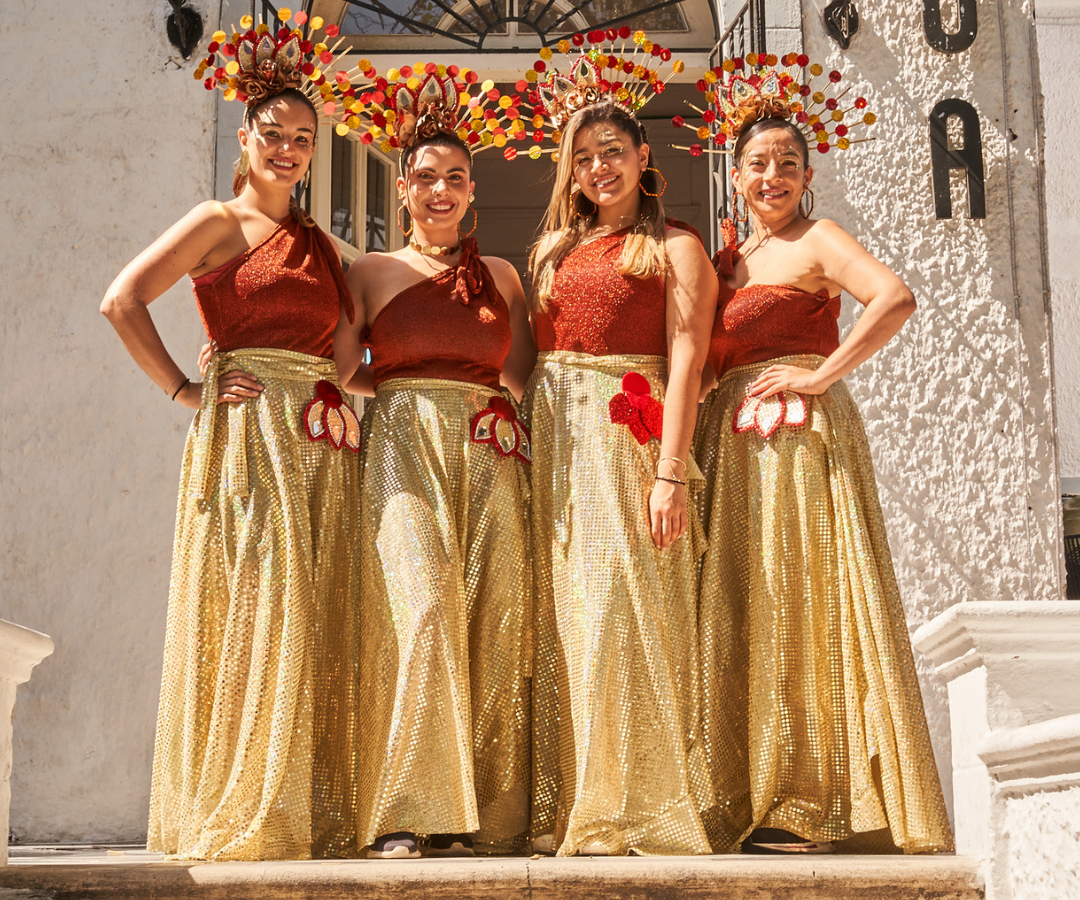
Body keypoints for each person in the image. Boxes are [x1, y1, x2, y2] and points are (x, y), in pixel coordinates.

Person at [100, 16, 369, 860]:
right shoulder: (217, 220)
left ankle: (305, 805)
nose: (287, 150)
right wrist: (186, 386)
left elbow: (346, 358)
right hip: (249, 440)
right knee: (259, 612)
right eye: (273, 135)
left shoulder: (327, 246)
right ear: (245, 137)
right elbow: (122, 300)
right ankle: (245, 803)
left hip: (321, 447)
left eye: (302, 138)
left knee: (318, 615)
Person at [682, 55, 954, 854]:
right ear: (734, 175)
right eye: (758, 165)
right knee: (739, 609)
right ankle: (741, 788)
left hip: (795, 446)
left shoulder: (820, 238)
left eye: (788, 166)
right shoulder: (729, 261)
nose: (773, 177)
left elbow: (894, 297)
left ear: (807, 177)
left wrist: (821, 374)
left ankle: (806, 800)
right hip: (727, 453)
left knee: (795, 605)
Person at [518, 32, 719, 857]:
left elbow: (688, 361)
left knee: (622, 613)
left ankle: (633, 806)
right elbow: (522, 358)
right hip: (550, 441)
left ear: (644, 155)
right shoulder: (551, 250)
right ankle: (574, 801)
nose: (598, 168)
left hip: (624, 438)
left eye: (612, 151)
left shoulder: (675, 248)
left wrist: (669, 473)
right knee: (563, 620)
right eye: (583, 156)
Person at [344, 67, 535, 859]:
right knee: (418, 613)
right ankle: (403, 810)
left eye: (457, 177)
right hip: (402, 446)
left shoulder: (503, 278)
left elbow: (526, 379)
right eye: (427, 177)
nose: (442, 190)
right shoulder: (370, 271)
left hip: (489, 452)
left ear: (471, 191)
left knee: (494, 622)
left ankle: (473, 816)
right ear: (405, 190)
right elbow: (338, 368)